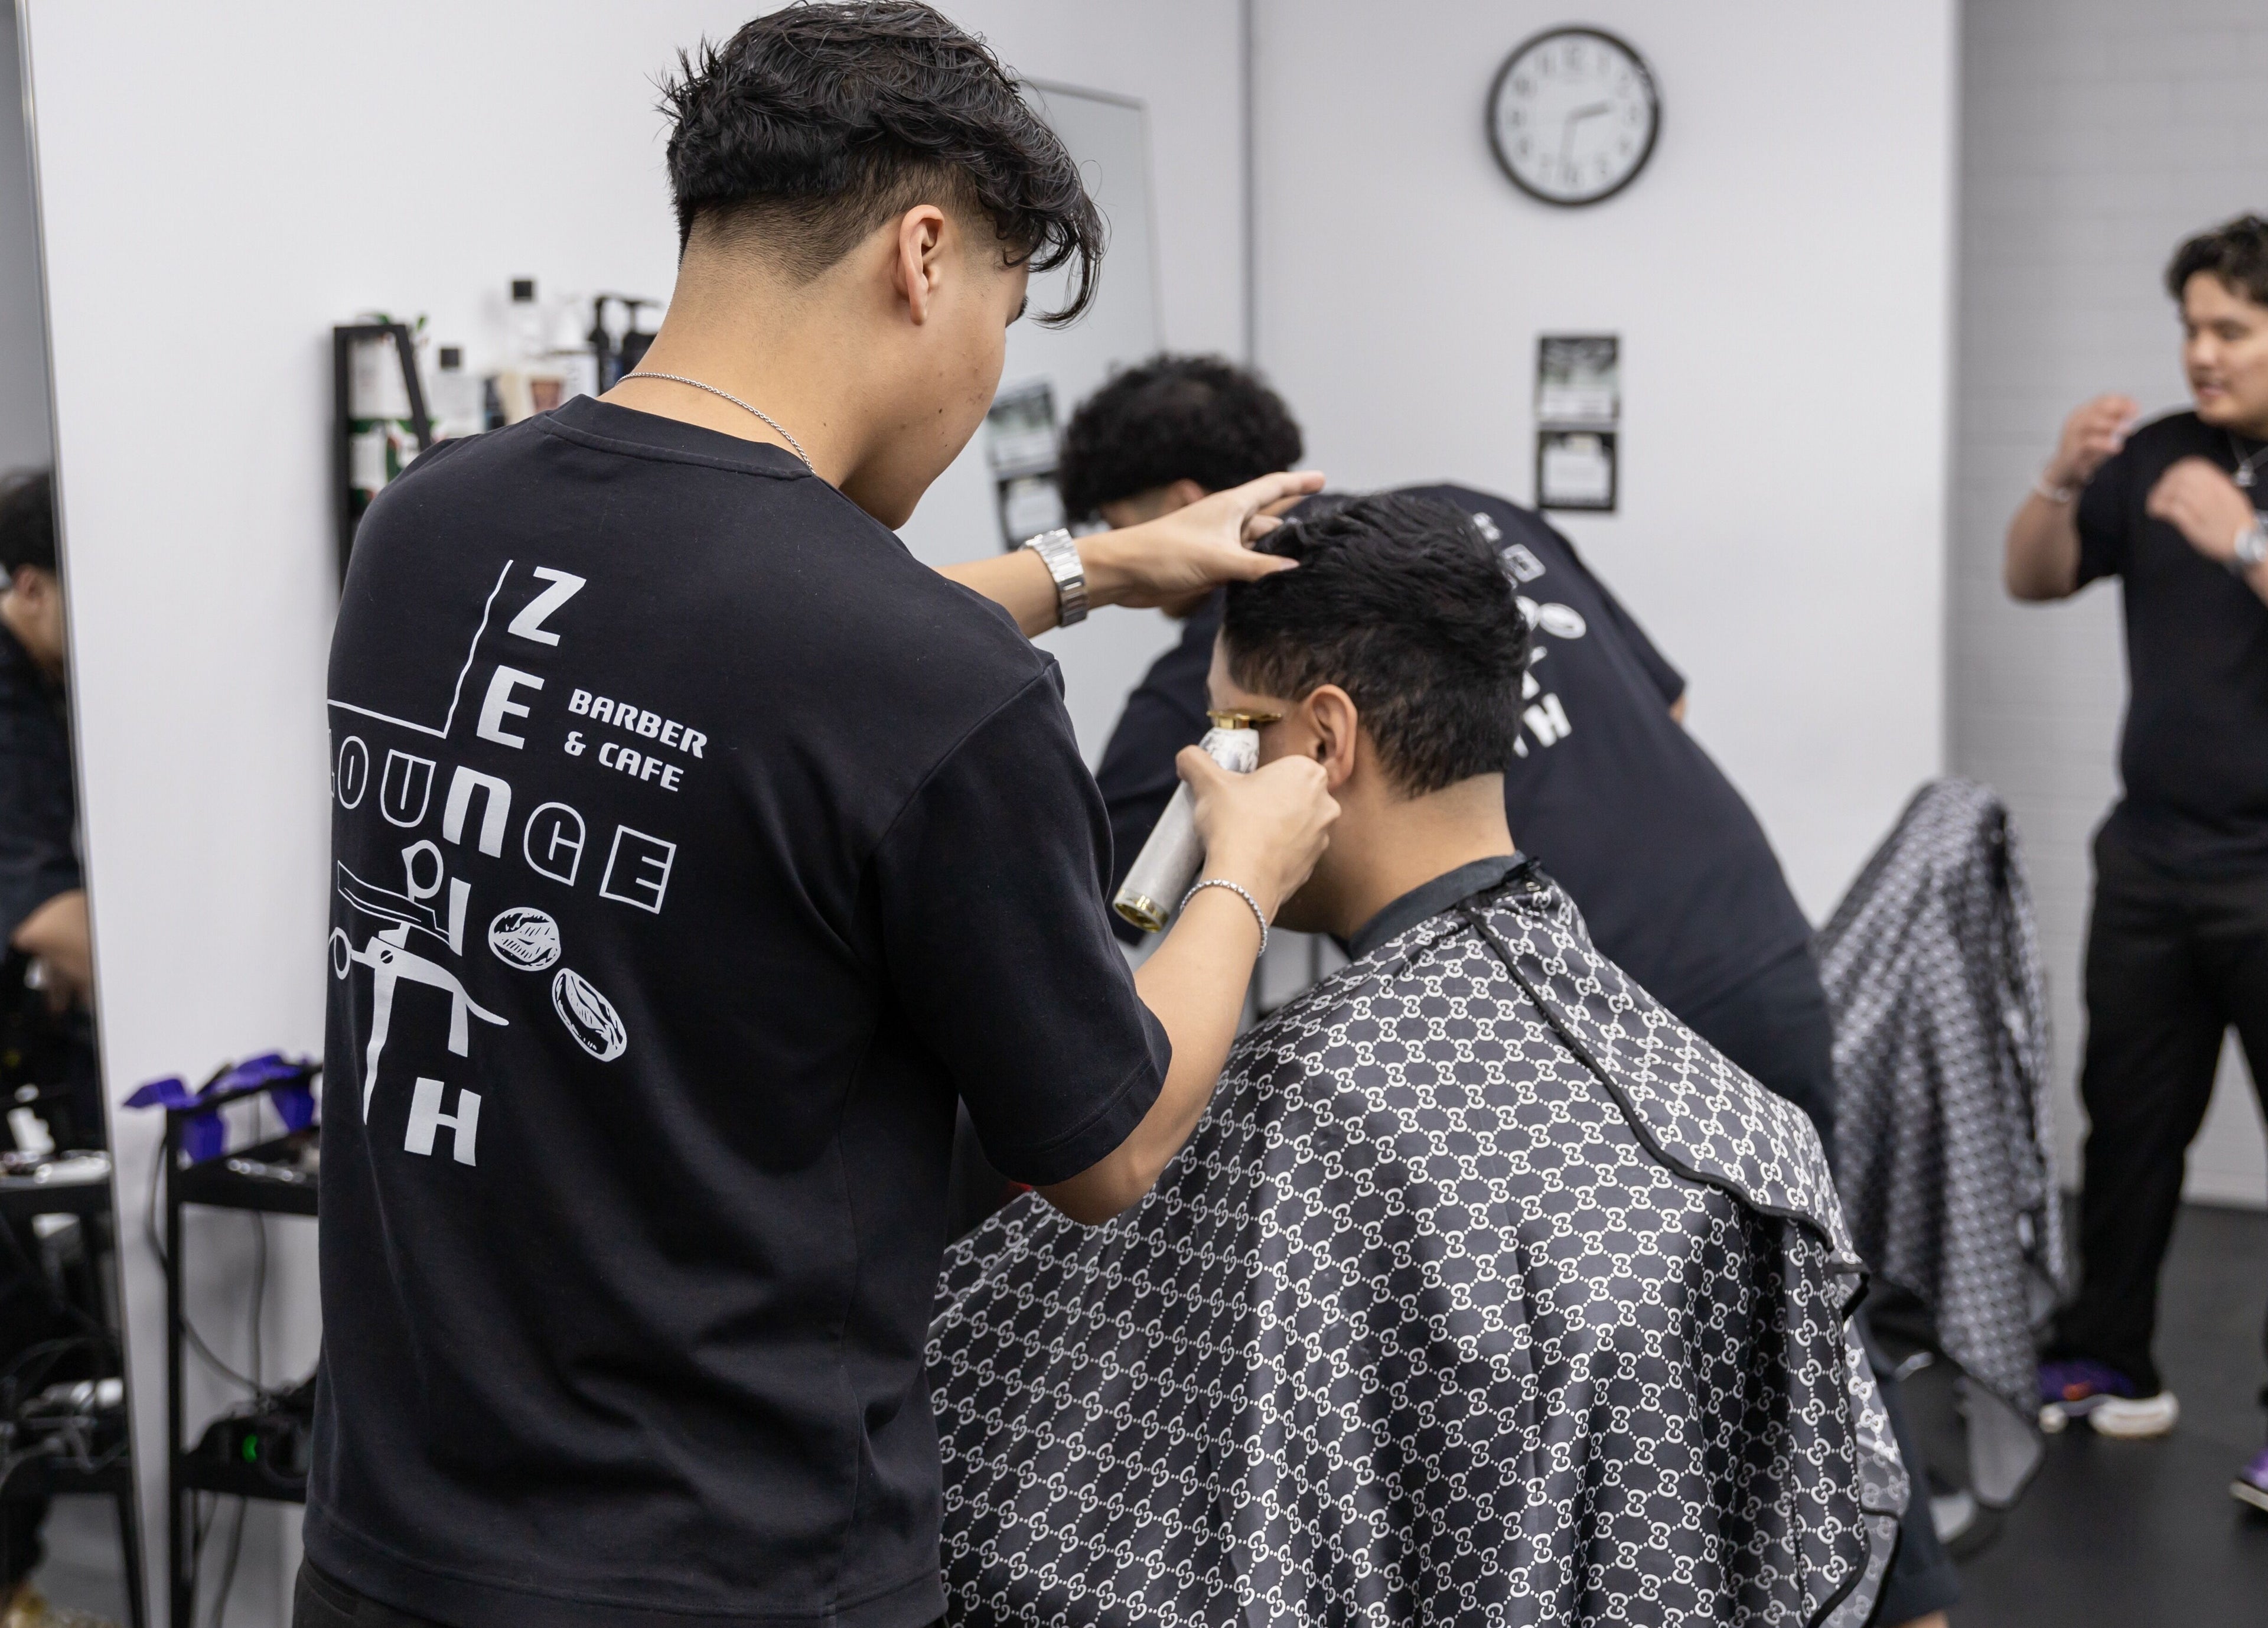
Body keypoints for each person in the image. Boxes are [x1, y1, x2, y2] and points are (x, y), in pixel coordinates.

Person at [302, 9, 1338, 1628]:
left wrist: (1096, 566)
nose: (993, 361)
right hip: (739, 1572)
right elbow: (1111, 1143)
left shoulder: (429, 529)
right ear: (926, 257)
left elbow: (749, 672)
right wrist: (1249, 872)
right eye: (1006, 305)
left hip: (386, 1552)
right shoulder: (925, 683)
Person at [1068, 356, 1958, 1626]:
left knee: (1543, 1394)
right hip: (1745, 941)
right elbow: (1673, 700)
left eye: (1120, 534)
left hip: (1578, 1012)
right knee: (1795, 1327)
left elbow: (1103, 905)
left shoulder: (1219, 682)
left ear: (1184, 503)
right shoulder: (1469, 528)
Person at [2007, 212, 2268, 1510]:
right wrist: (2060, 479)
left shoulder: (2217, 496)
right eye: (2191, 326)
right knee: (2130, 1127)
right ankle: (2109, 1358)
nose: (2200, 352)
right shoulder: (2163, 452)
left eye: (2232, 329)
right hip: (2154, 861)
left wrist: (2248, 541)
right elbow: (2033, 579)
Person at [0, 467, 106, 1628]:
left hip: (35, 1045)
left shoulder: (51, 681)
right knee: (26, 1331)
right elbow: (42, 913)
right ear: (30, 587)